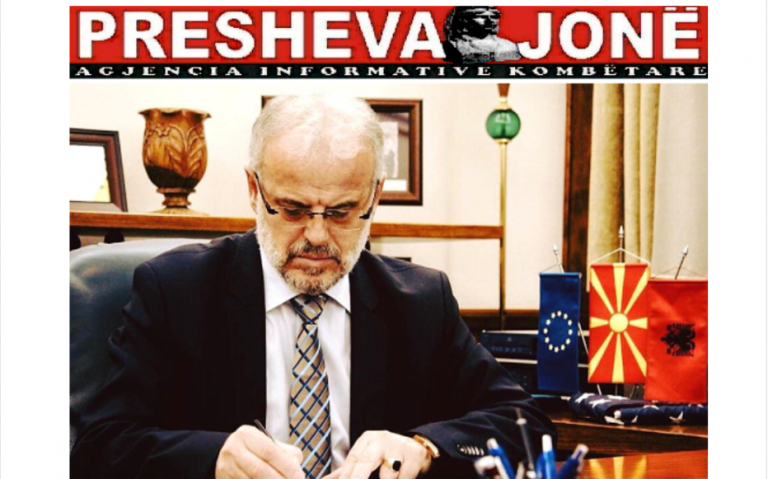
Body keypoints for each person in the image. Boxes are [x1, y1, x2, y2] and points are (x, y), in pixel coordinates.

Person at [70, 95, 554, 479]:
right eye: (294, 209)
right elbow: (98, 446)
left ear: (374, 197)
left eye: (342, 211)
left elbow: (524, 423)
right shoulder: (176, 290)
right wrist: (212, 457)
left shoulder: (421, 301)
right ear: (254, 190)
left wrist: (423, 447)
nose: (318, 236)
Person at [442, 6, 523, 64]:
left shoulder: (508, 46)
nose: (490, 20)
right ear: (464, 19)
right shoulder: (449, 47)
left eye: (494, 16)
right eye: (482, 16)